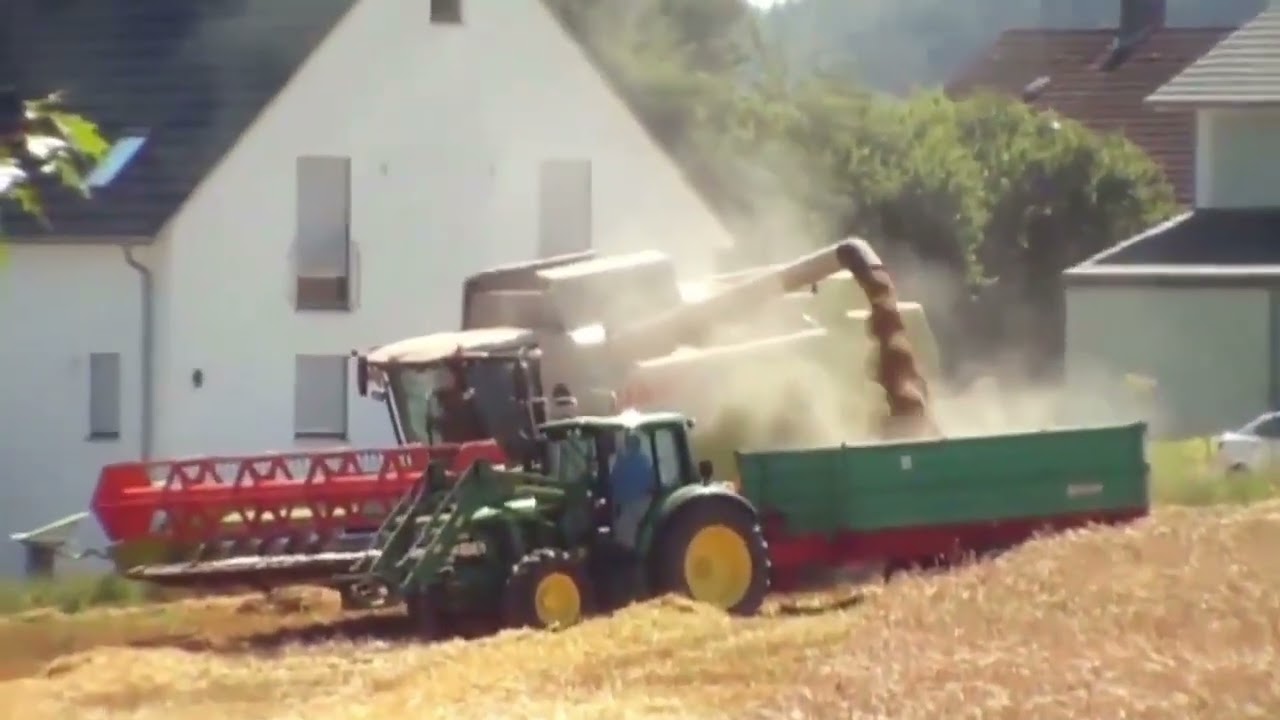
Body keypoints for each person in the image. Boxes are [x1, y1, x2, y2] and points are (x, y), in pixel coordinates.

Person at [608, 432, 655, 549]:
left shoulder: (624, 462)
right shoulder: (644, 461)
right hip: (643, 502)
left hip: (634, 504)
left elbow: (614, 482)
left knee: (624, 537)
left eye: (628, 443)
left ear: (628, 445)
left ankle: (631, 561)